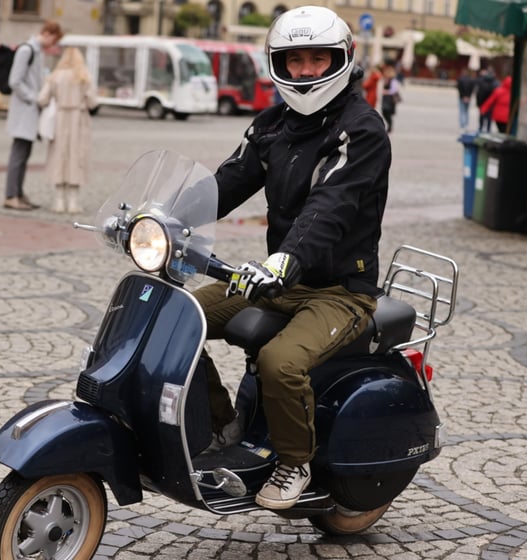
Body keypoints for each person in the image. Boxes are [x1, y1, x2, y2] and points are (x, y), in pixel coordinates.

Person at [194, 5, 391, 510]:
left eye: (317, 60)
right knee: (178, 319)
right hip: (279, 280)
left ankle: (294, 462)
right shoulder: (272, 124)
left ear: (342, 60)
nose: (305, 72)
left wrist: (283, 261)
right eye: (293, 60)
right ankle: (222, 426)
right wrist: (164, 216)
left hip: (340, 290)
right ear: (277, 64)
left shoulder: (361, 130)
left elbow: (329, 207)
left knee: (280, 362)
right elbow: (227, 181)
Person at [3, 21, 64, 211]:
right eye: (53, 39)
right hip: (24, 111)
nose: (53, 44)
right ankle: (11, 195)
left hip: (29, 110)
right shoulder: (27, 50)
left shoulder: (36, 52)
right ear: (47, 33)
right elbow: (15, 81)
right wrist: (34, 98)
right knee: (19, 154)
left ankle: (18, 193)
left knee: (23, 153)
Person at [38, 47, 98, 214]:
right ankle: (73, 201)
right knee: (76, 157)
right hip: (78, 120)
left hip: (60, 118)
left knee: (59, 156)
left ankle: (58, 200)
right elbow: (93, 101)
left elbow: (42, 98)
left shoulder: (55, 77)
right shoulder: (85, 77)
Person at [475, 68, 498, 133]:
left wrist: (479, 104)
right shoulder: (496, 82)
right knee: (489, 118)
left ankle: (480, 128)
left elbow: (479, 94)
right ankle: (488, 130)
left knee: (482, 117)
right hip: (491, 105)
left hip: (482, 103)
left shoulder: (482, 81)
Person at [380, 64, 400, 132]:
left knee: (387, 112)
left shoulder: (393, 80)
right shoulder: (386, 80)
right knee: (384, 111)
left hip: (390, 99)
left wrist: (386, 92)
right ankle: (389, 126)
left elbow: (394, 90)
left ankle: (390, 127)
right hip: (385, 99)